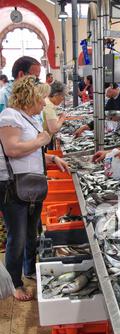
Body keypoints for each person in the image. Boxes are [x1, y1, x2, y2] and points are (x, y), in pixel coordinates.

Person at [0, 76, 70, 301]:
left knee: (33, 232)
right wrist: (41, 141)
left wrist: (50, 159)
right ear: (30, 97)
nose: (44, 103)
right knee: (17, 236)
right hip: (13, 187)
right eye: (41, 98)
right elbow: (12, 149)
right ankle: (15, 283)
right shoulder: (9, 116)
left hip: (30, 186)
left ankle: (29, 269)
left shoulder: (28, 118)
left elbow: (29, 150)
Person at [43, 81, 67, 149]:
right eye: (62, 95)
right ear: (56, 94)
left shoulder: (48, 102)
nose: (63, 98)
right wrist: (62, 118)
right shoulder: (48, 106)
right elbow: (54, 129)